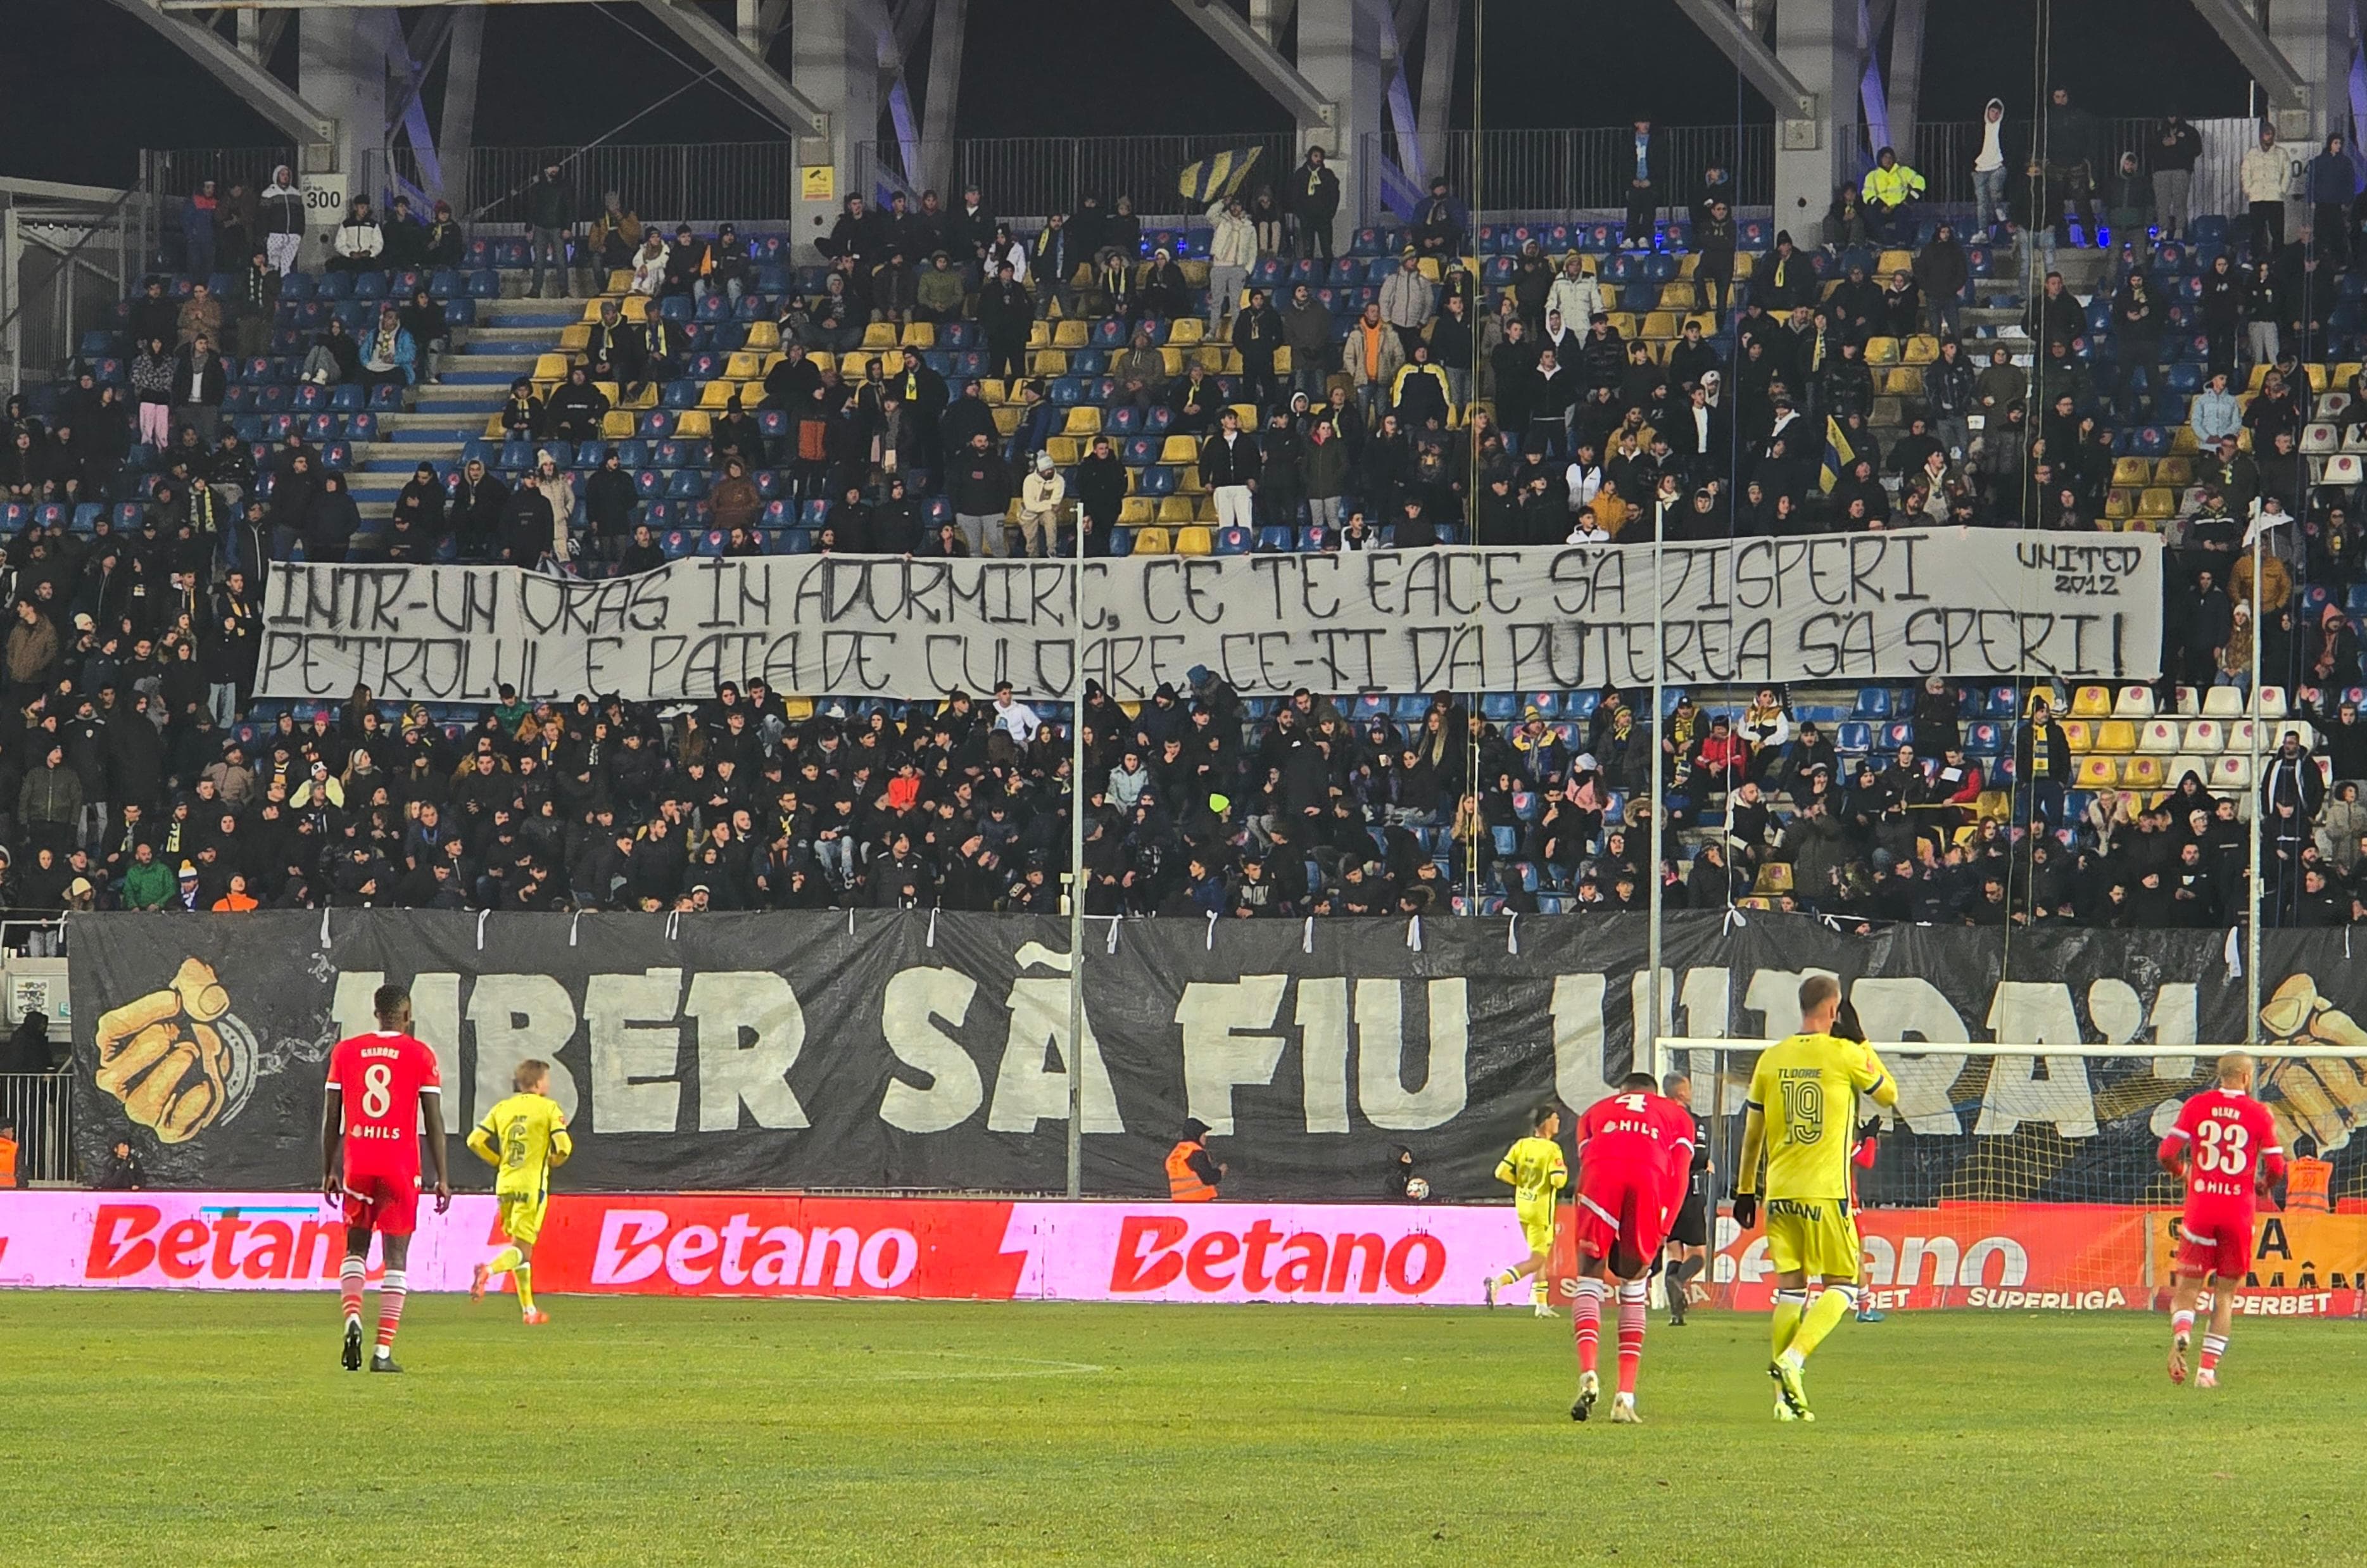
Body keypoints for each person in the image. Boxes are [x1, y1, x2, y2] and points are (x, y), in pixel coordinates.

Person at [1729, 974, 1898, 1422]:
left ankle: (1782, 1402)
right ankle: (1794, 1361)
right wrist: (1862, 1042)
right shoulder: (1844, 1054)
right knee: (1844, 1285)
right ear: (1834, 1009)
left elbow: (1752, 1134)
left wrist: (1746, 1188)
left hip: (1779, 1193)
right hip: (1825, 1193)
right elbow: (1888, 1093)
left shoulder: (1772, 1057)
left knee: (1791, 1291)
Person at [320, 982, 450, 1374]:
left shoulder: (347, 1052)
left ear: (376, 1013)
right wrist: (443, 1176)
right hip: (399, 1166)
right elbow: (433, 1119)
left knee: (354, 1250)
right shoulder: (420, 1054)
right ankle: (382, 1353)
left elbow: (332, 1117)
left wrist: (329, 1168)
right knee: (396, 1259)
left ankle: (352, 1318)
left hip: (358, 1163)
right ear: (407, 1016)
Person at [1567, 1073, 1695, 1424]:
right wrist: (1665, 1228)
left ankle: (1589, 1371)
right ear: (1654, 1094)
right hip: (1649, 1178)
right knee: (1633, 1287)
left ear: (1622, 1093)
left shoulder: (1595, 1112)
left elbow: (1588, 1161)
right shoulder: (1676, 1116)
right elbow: (1680, 1173)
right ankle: (1624, 1396)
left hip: (1599, 1176)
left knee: (1589, 1278)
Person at [2159, 1052, 2285, 1388]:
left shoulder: (2197, 1106)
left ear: (2221, 1075)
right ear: (2246, 1077)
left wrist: (2185, 1173)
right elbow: (2276, 1167)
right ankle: (2206, 1373)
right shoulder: (2259, 1114)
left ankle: (2183, 1330)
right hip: (2238, 1213)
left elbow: (2166, 1153)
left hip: (2201, 1209)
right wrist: (2263, 1186)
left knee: (2187, 1288)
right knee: (2225, 1295)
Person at [467, 1056, 572, 1327]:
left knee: (520, 1247)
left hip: (505, 1184)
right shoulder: (549, 1108)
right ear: (538, 1082)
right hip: (530, 1186)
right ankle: (488, 1270)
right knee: (523, 1251)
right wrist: (552, 1161)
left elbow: (474, 1141)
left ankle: (529, 1310)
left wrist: (497, 1160)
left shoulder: (503, 1108)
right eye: (546, 1079)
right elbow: (564, 1148)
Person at [1483, 1101, 1567, 1318]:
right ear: (1546, 1122)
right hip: (1540, 1210)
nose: (1558, 1122)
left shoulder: (1522, 1145)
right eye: (1555, 1118)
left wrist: (1522, 1184)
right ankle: (1498, 1282)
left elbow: (1501, 1172)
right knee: (1538, 1259)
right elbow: (1558, 1181)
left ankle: (1541, 1304)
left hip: (1523, 1206)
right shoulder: (1552, 1149)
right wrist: (1562, 1172)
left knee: (1538, 1255)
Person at [1657, 1070, 1712, 1326]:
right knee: (1698, 1254)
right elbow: (1697, 1156)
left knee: (1674, 1250)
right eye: (1688, 1088)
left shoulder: (1656, 1118)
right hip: (1689, 1190)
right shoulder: (1693, 1120)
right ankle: (1678, 1280)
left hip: (1661, 1192)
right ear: (1681, 1092)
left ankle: (1676, 1314)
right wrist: (1706, 1162)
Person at [526, 161, 574, 298]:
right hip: (541, 227)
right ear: (545, 168)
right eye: (552, 166)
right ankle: (535, 290)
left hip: (558, 227)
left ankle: (564, 291)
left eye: (556, 167)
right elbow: (532, 208)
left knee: (561, 260)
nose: (555, 169)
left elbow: (569, 208)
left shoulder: (564, 186)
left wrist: (567, 228)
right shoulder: (538, 187)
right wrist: (529, 227)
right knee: (539, 261)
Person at [1859, 146, 1926, 244]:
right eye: (1885, 157)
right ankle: (1877, 241)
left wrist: (1909, 200)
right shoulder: (1872, 176)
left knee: (1903, 213)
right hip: (1881, 208)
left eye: (1890, 157)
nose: (1888, 160)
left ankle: (1902, 242)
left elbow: (1920, 182)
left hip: (1899, 206)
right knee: (1869, 213)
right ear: (1880, 159)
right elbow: (1868, 194)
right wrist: (1881, 206)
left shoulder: (1903, 171)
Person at [1287, 146, 1340, 260]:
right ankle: (1309, 274)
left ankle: (1328, 273)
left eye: (1320, 157)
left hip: (1323, 217)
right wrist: (1300, 214)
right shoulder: (1301, 174)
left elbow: (1334, 195)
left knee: (1326, 247)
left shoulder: (1327, 175)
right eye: (1316, 156)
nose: (1318, 159)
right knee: (1308, 248)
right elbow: (1295, 195)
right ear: (1310, 157)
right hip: (1307, 217)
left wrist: (1330, 213)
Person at [1165, 1118, 1223, 1200]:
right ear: (1197, 1134)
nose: (1205, 1137)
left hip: (1180, 1202)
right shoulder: (1196, 1152)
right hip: (1200, 1202)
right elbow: (1209, 1178)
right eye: (1203, 1134)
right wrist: (1221, 1171)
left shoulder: (1176, 1152)